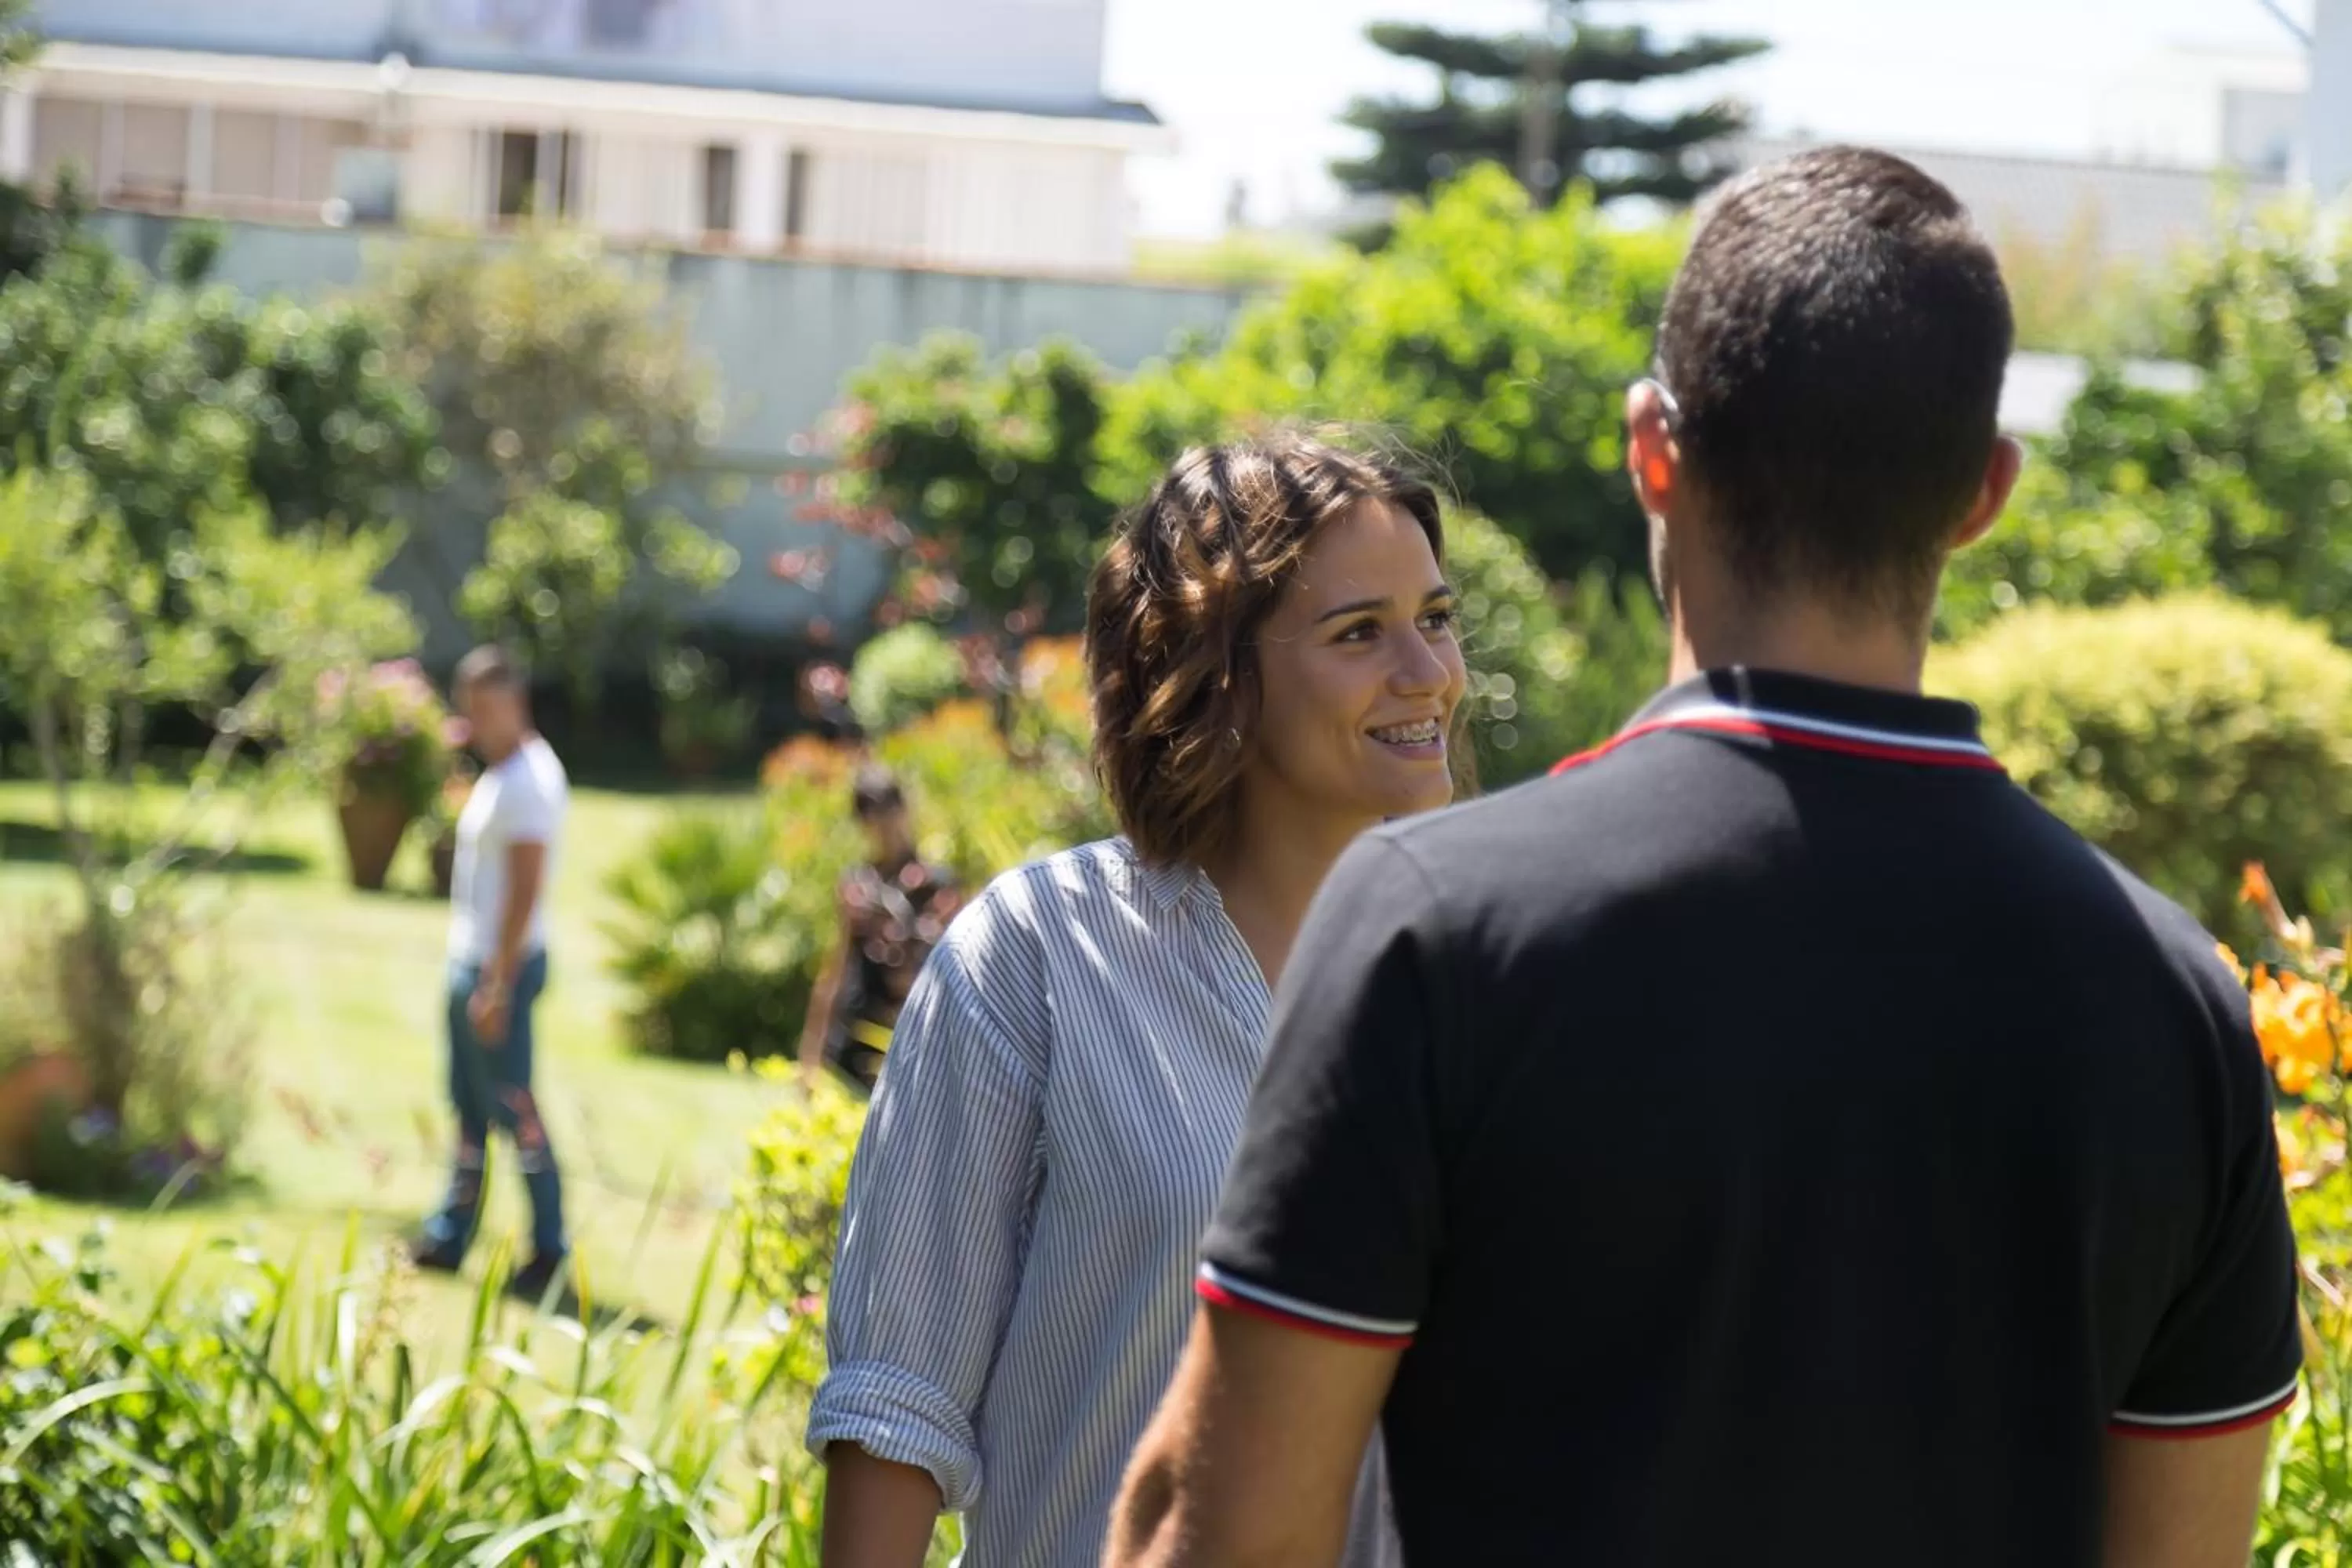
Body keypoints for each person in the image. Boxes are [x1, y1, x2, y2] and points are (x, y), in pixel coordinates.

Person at [1109, 147, 2303, 1568]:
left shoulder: (1441, 926)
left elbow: (1219, 1532)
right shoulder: (2175, 1002)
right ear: (1987, 491)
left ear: (1650, 449)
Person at [806, 434, 1466, 1568]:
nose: (1429, 673)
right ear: (1217, 674)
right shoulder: (1040, 959)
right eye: (1361, 632)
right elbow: (895, 1411)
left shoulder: (1486, 982)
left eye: (1438, 619)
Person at [405, 644, 572, 1302]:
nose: (476, 723)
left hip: (500, 971)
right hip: (474, 964)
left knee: (515, 1107)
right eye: (468, 710)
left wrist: (497, 984)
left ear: (516, 701)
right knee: (471, 1111)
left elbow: (525, 890)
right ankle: (452, 1234)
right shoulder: (502, 773)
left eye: (487, 708)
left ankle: (549, 1248)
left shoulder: (531, 779)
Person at [797, 764, 960, 1092]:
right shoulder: (858, 887)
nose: (884, 827)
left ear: (905, 810)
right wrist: (810, 1058)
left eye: (889, 813)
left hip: (918, 1041)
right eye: (872, 818)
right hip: (856, 1038)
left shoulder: (937, 887)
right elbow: (836, 970)